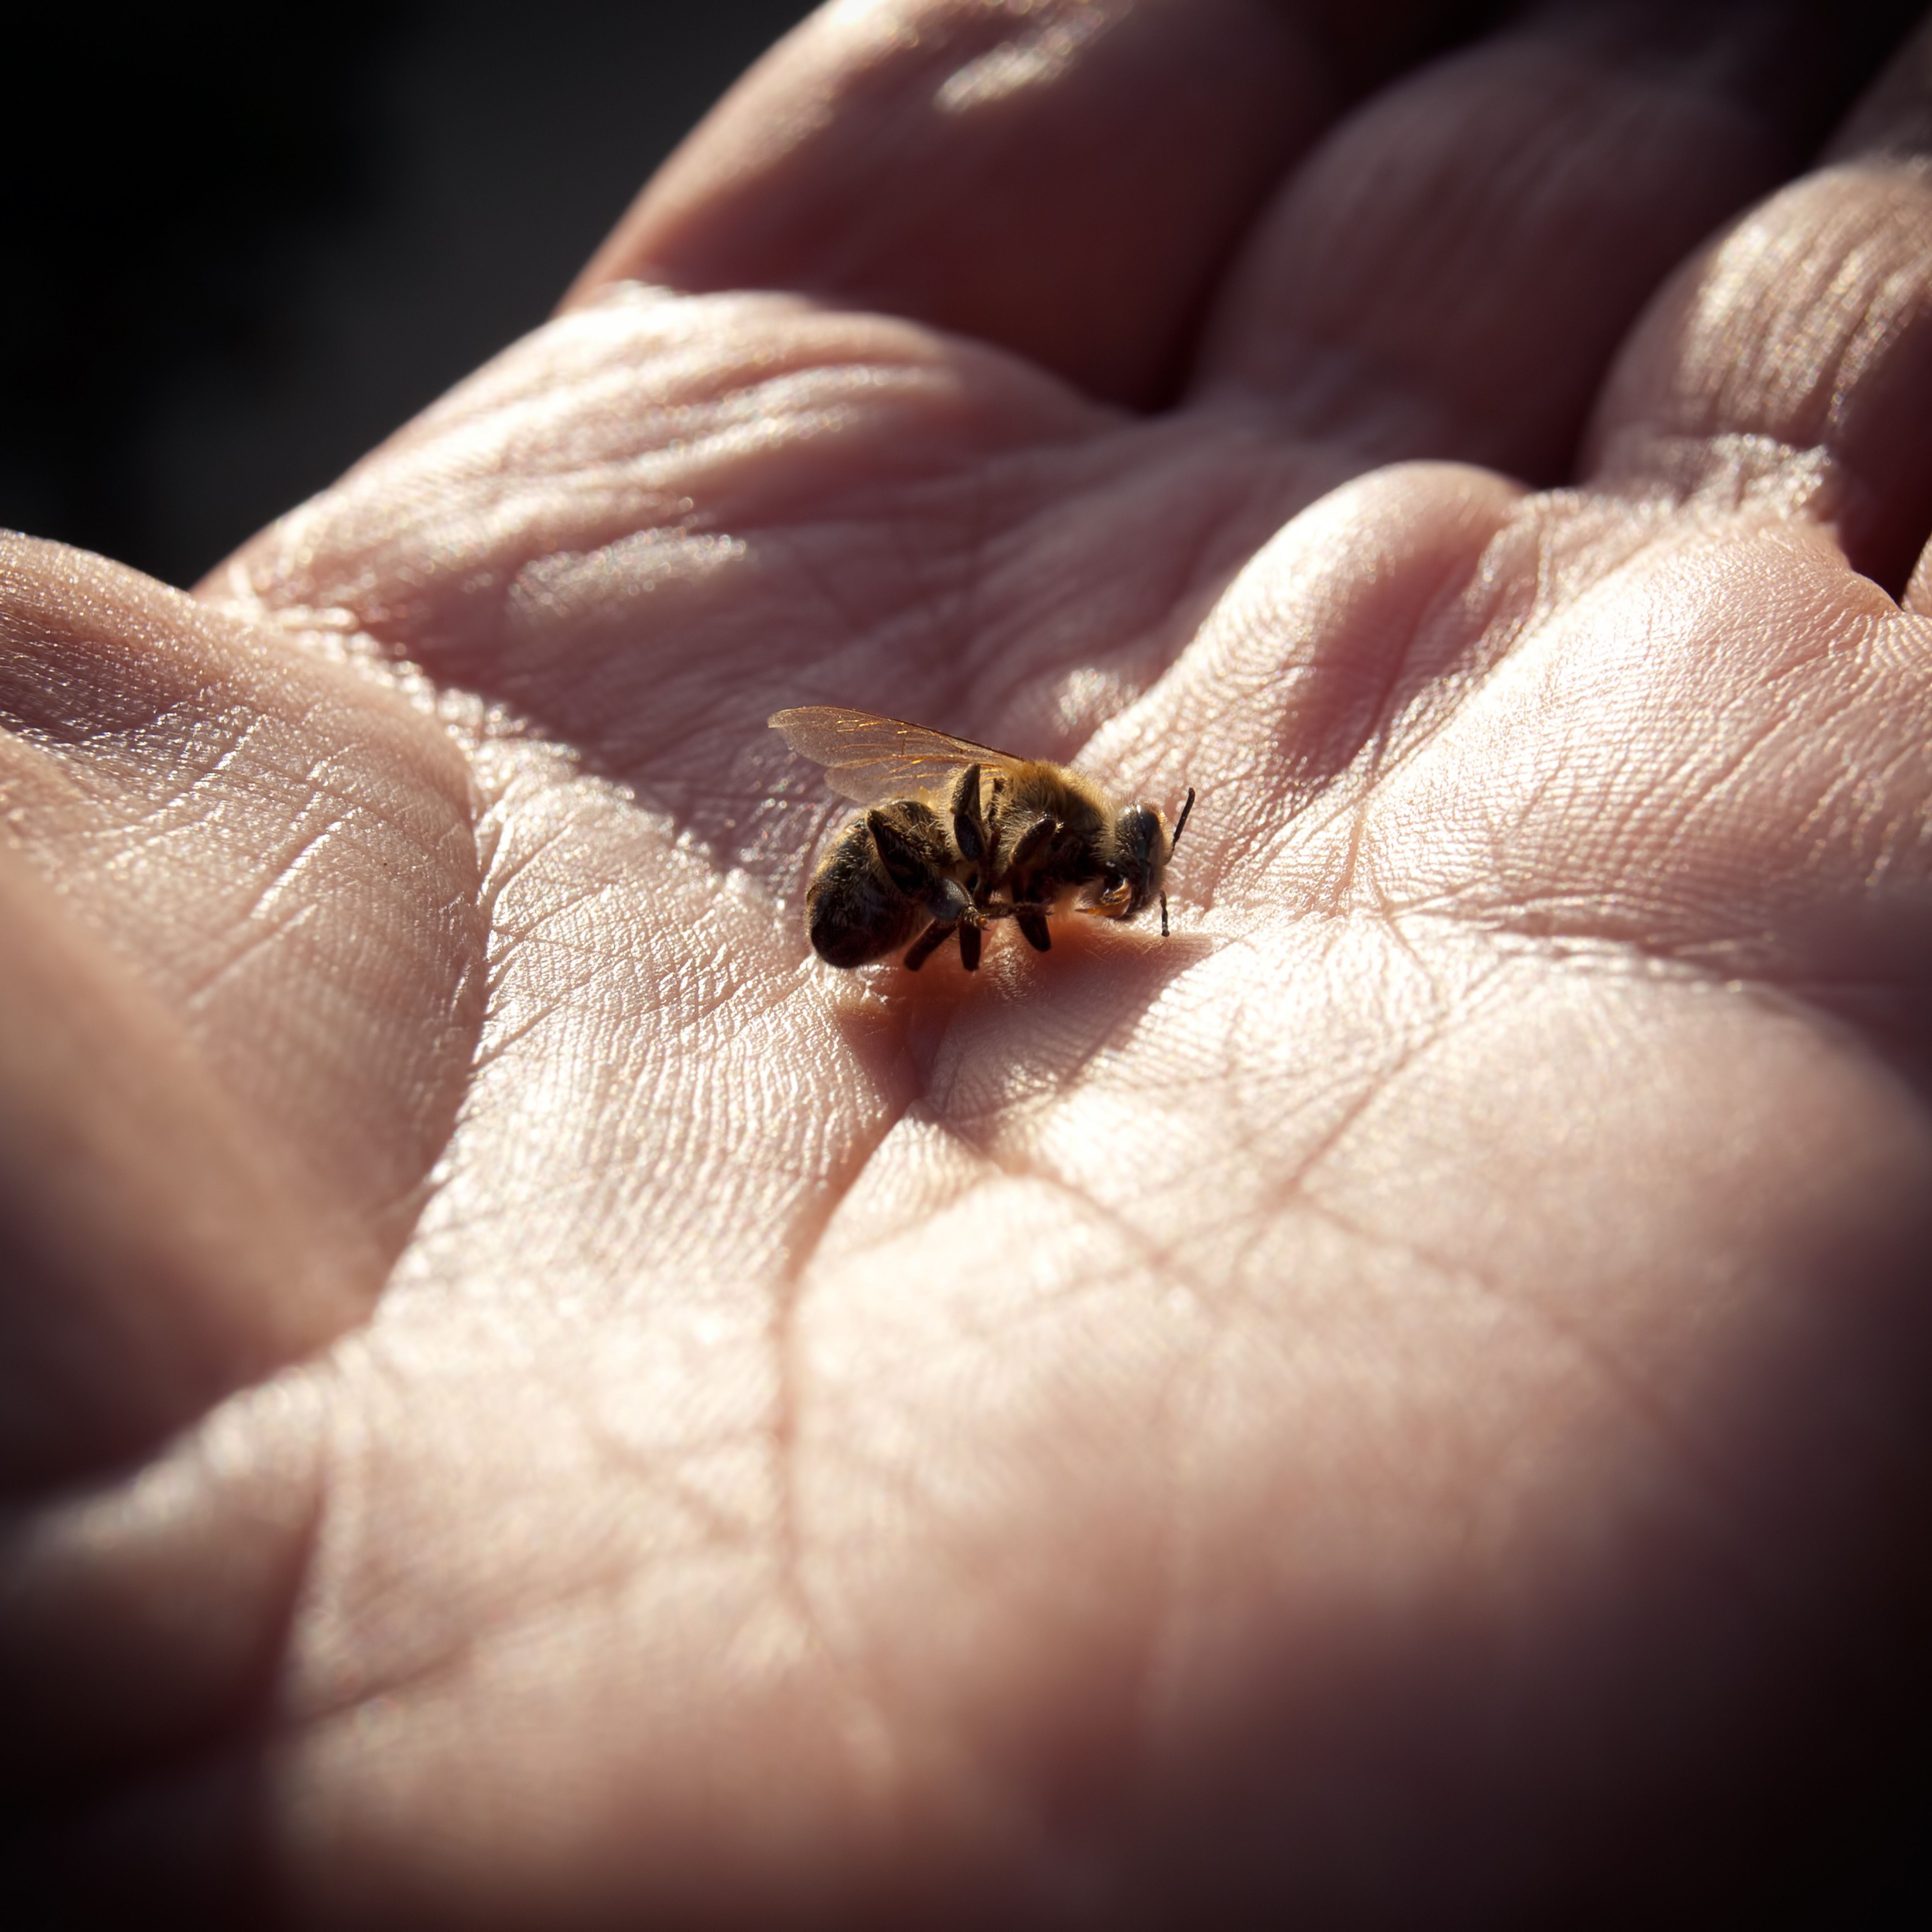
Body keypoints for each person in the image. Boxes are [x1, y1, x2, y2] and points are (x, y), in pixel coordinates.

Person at [7, 0, 1932, 1921]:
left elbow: (953, 847)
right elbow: (977, 900)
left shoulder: (1037, 829)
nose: (1112, 910)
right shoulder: (1030, 873)